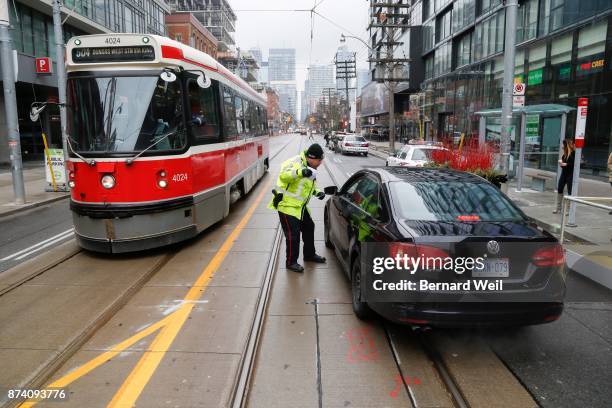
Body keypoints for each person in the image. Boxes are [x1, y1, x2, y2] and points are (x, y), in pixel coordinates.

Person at [269, 143, 327, 272]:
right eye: (319, 160)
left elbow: (306, 186)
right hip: (287, 205)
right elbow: (284, 176)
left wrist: (317, 192)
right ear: (311, 158)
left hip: (299, 207)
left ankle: (309, 255)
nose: (320, 163)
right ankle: (291, 262)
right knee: (293, 235)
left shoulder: (310, 168)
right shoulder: (296, 162)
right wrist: (300, 172)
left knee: (309, 227)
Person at [554, 139, 576, 214]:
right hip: (564, 174)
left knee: (570, 191)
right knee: (560, 188)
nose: (562, 147)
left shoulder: (573, 153)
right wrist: (562, 163)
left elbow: (573, 164)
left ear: (567, 146)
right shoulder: (564, 154)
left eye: (563, 145)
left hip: (570, 175)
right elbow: (564, 166)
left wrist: (565, 164)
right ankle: (558, 208)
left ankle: (568, 210)